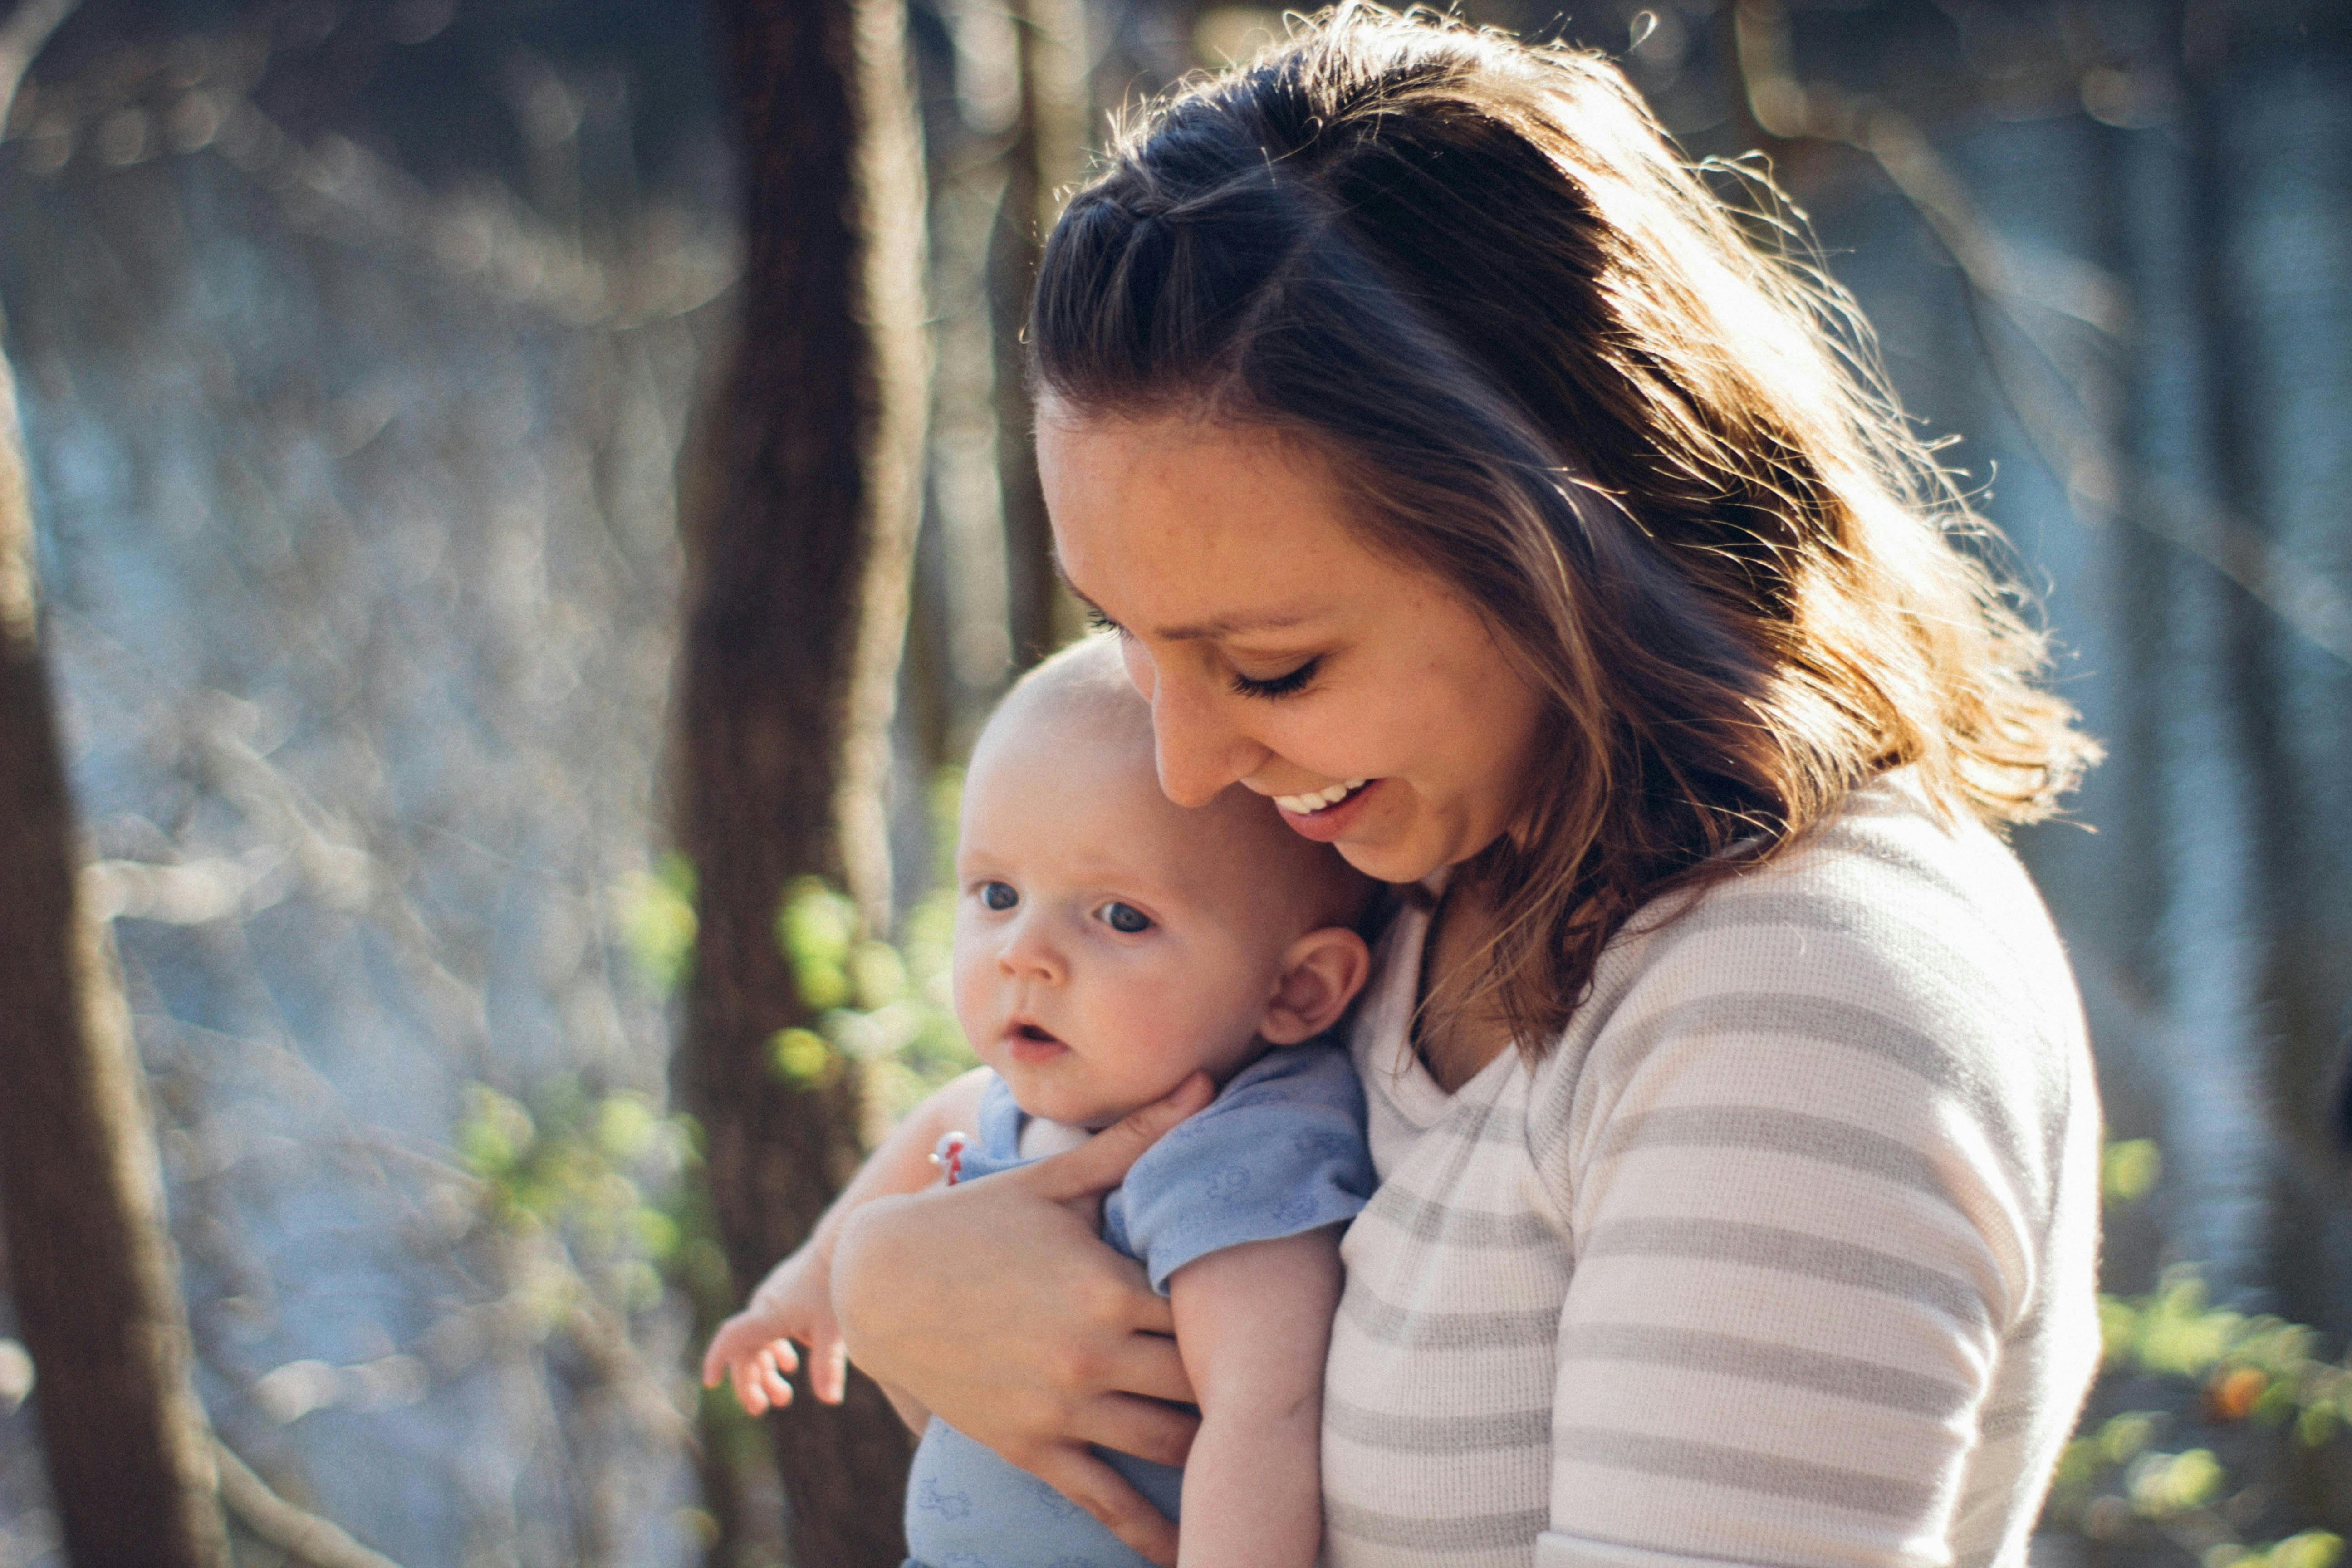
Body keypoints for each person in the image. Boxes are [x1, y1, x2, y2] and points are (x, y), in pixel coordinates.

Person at [826, 7, 2106, 1567]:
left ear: (1573, 544)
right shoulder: (1427, 864)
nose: (1184, 763)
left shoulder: (1796, 1000)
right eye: (1126, 639)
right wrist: (898, 1285)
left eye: (1274, 666)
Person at [702, 637, 1382, 1568]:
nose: (1025, 952)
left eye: (1120, 916)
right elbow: (933, 1125)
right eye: (997, 893)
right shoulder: (1011, 1104)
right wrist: (801, 1291)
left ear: (1298, 990)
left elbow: (1265, 1419)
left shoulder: (1239, 1156)